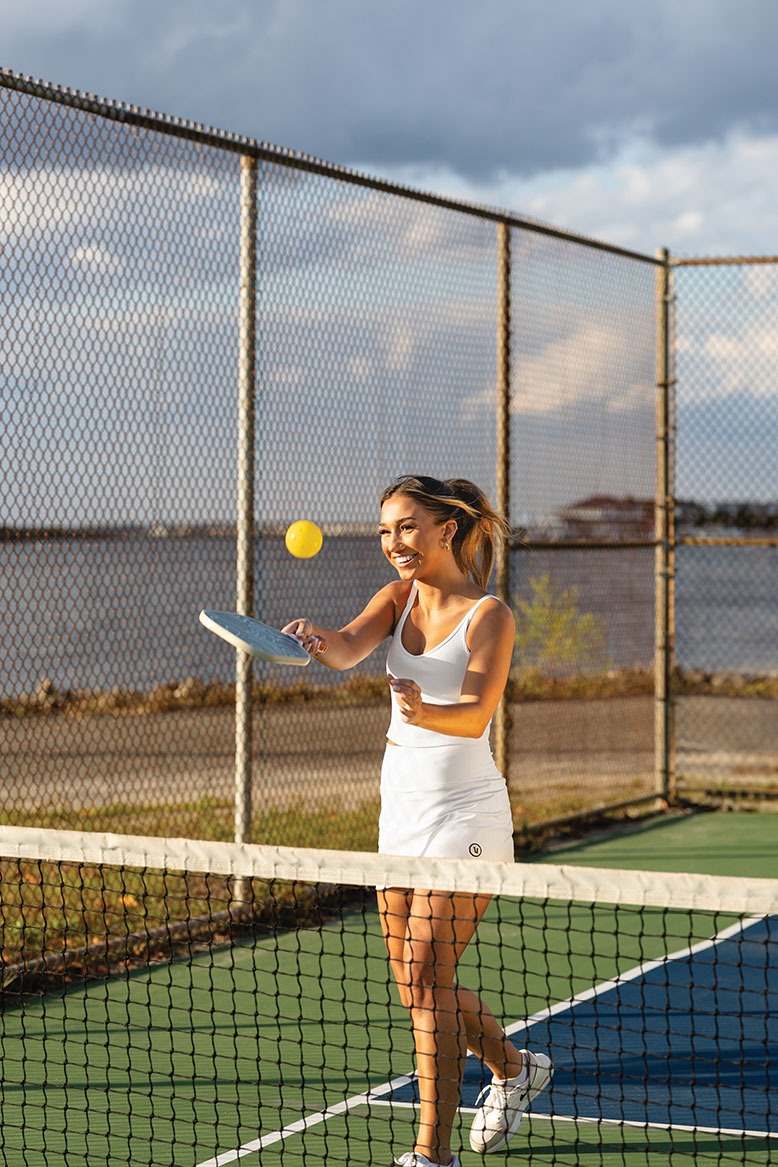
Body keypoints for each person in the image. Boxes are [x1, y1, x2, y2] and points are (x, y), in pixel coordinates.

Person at [283, 475, 552, 1167]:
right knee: (415, 985)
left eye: (405, 527)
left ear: (446, 530)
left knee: (428, 974)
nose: (393, 543)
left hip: (467, 815)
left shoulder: (490, 615)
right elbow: (347, 647)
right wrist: (315, 639)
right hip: (399, 813)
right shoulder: (396, 597)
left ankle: (431, 1156)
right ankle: (517, 1070)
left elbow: (473, 712)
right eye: (384, 531)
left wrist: (423, 708)